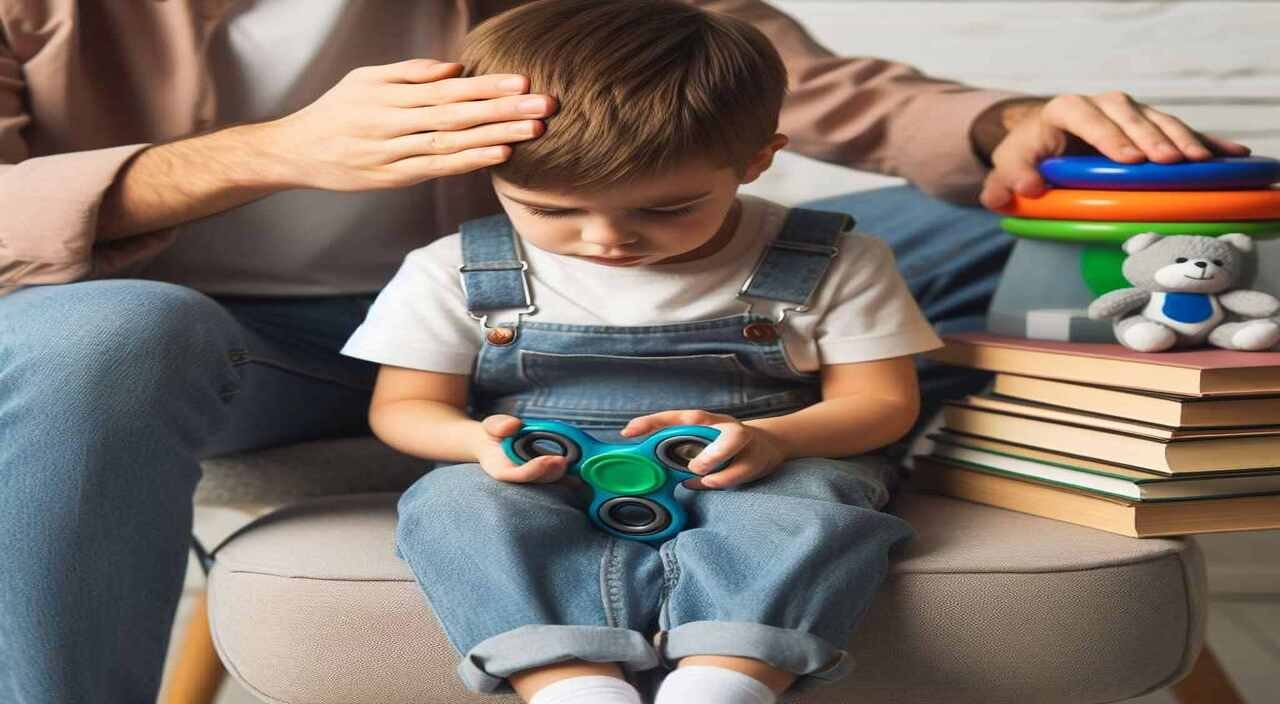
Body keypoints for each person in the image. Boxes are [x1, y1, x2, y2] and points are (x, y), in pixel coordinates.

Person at [0, 1, 1244, 703]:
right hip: (234, 343)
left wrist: (1001, 122)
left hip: (621, 327)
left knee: (1009, 231)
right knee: (108, 331)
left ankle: (829, 528)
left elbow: (755, 73)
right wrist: (256, 153)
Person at [341, 3, 926, 702]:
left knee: (816, 500)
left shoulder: (833, 259)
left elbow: (883, 403)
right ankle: (568, 682)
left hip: (757, 466)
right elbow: (405, 407)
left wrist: (773, 440)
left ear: (757, 160)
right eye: (553, 211)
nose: (605, 239)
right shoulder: (455, 269)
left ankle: (728, 679)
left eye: (666, 208)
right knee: (455, 505)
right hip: (543, 471)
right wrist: (477, 442)